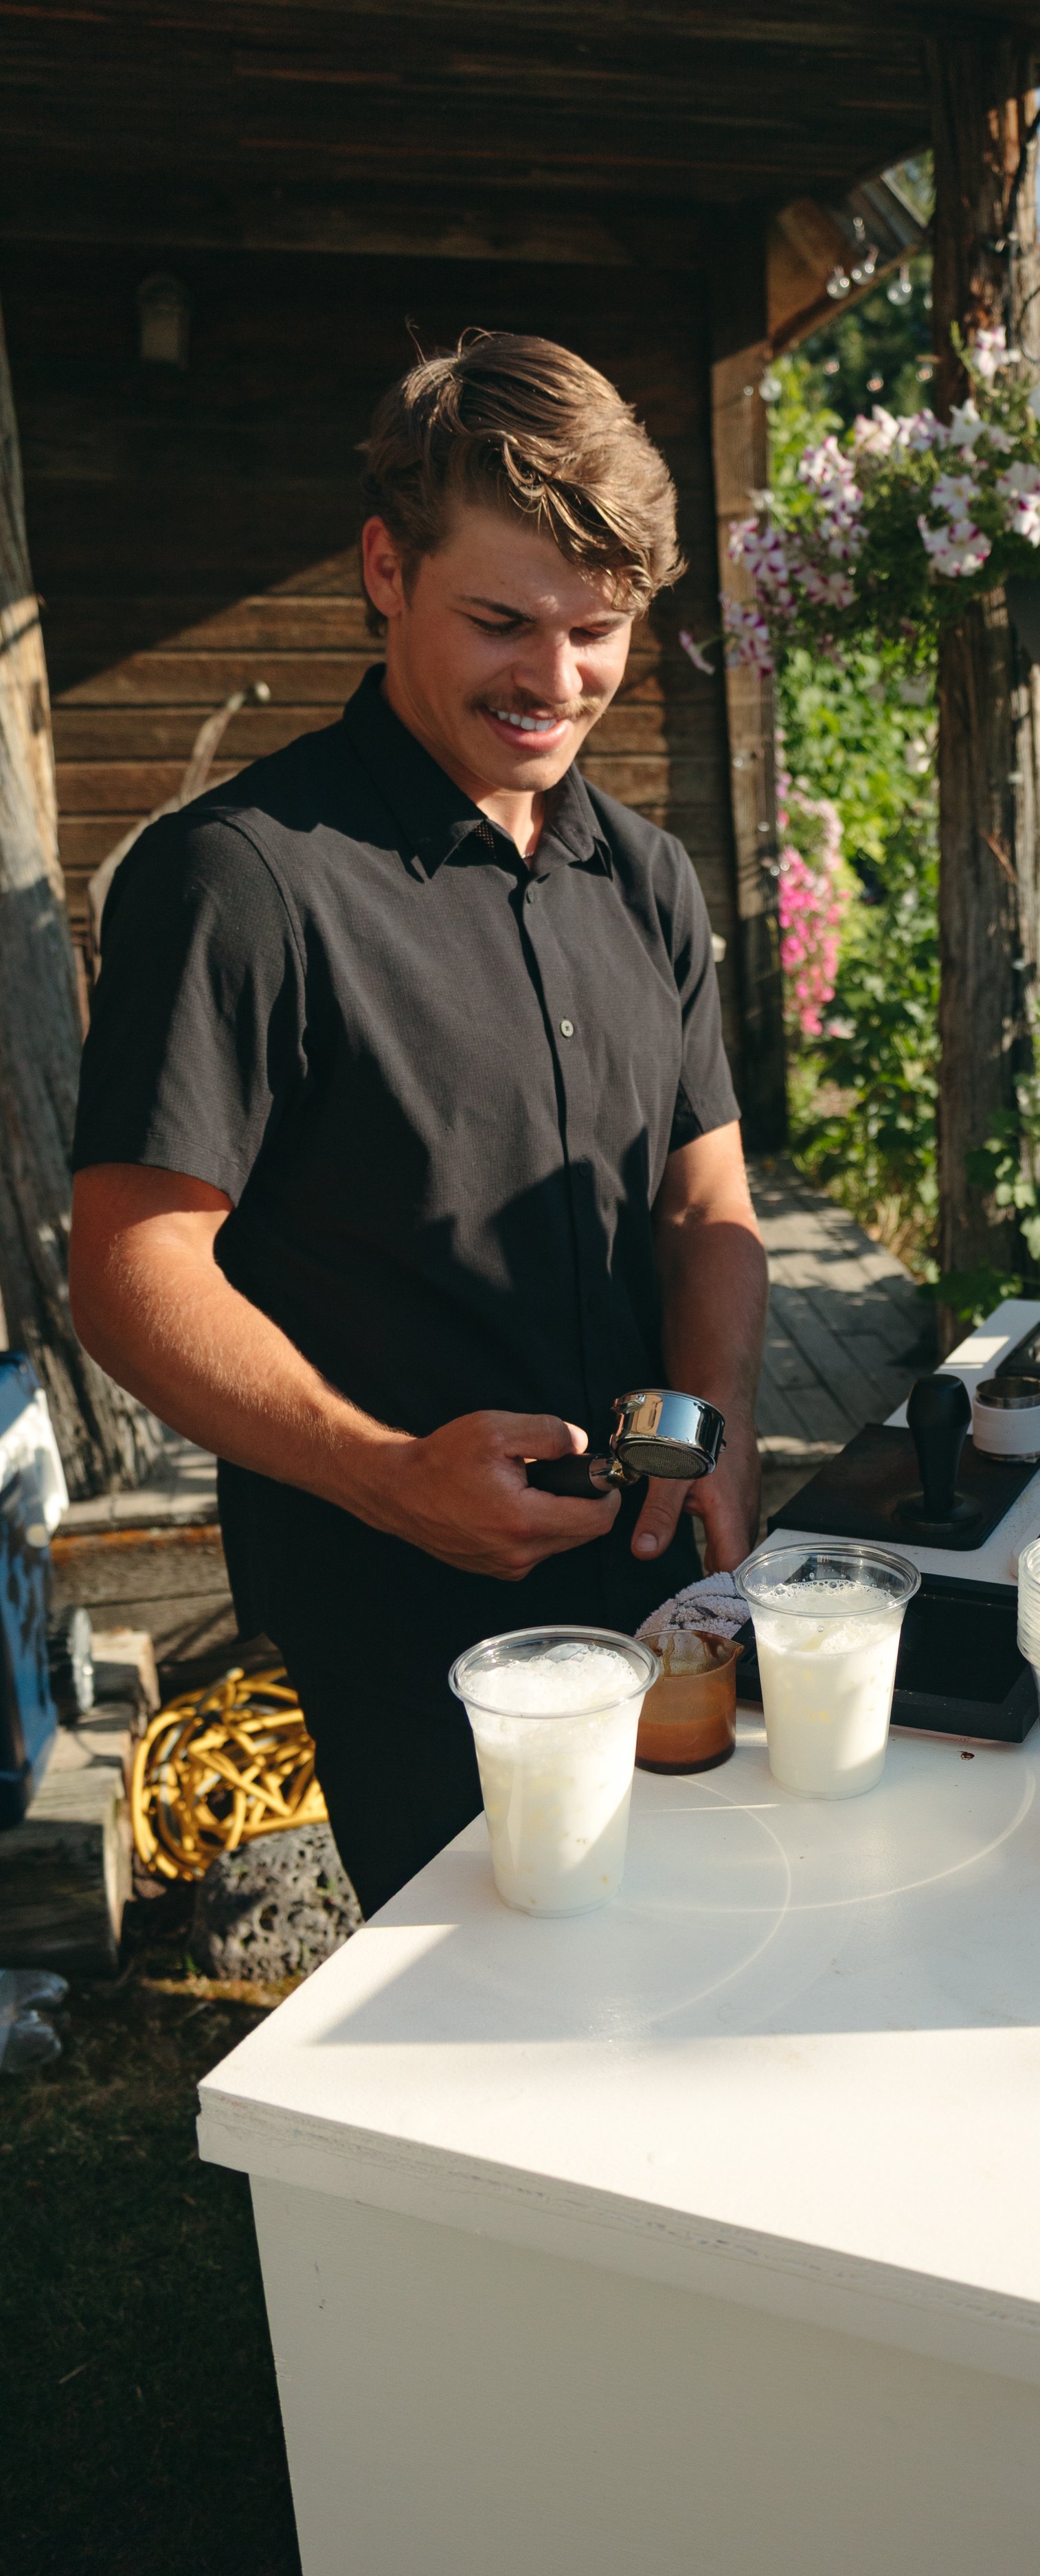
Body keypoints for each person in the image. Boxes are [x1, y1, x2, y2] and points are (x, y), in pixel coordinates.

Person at [68, 332, 768, 1916]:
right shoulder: (238, 878)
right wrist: (387, 1472)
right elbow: (128, 1270)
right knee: (500, 2004)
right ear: (385, 569)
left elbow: (703, 1197)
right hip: (406, 1615)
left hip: (657, 1570)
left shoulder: (649, 876)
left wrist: (717, 1408)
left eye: (595, 631)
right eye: (502, 622)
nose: (555, 680)